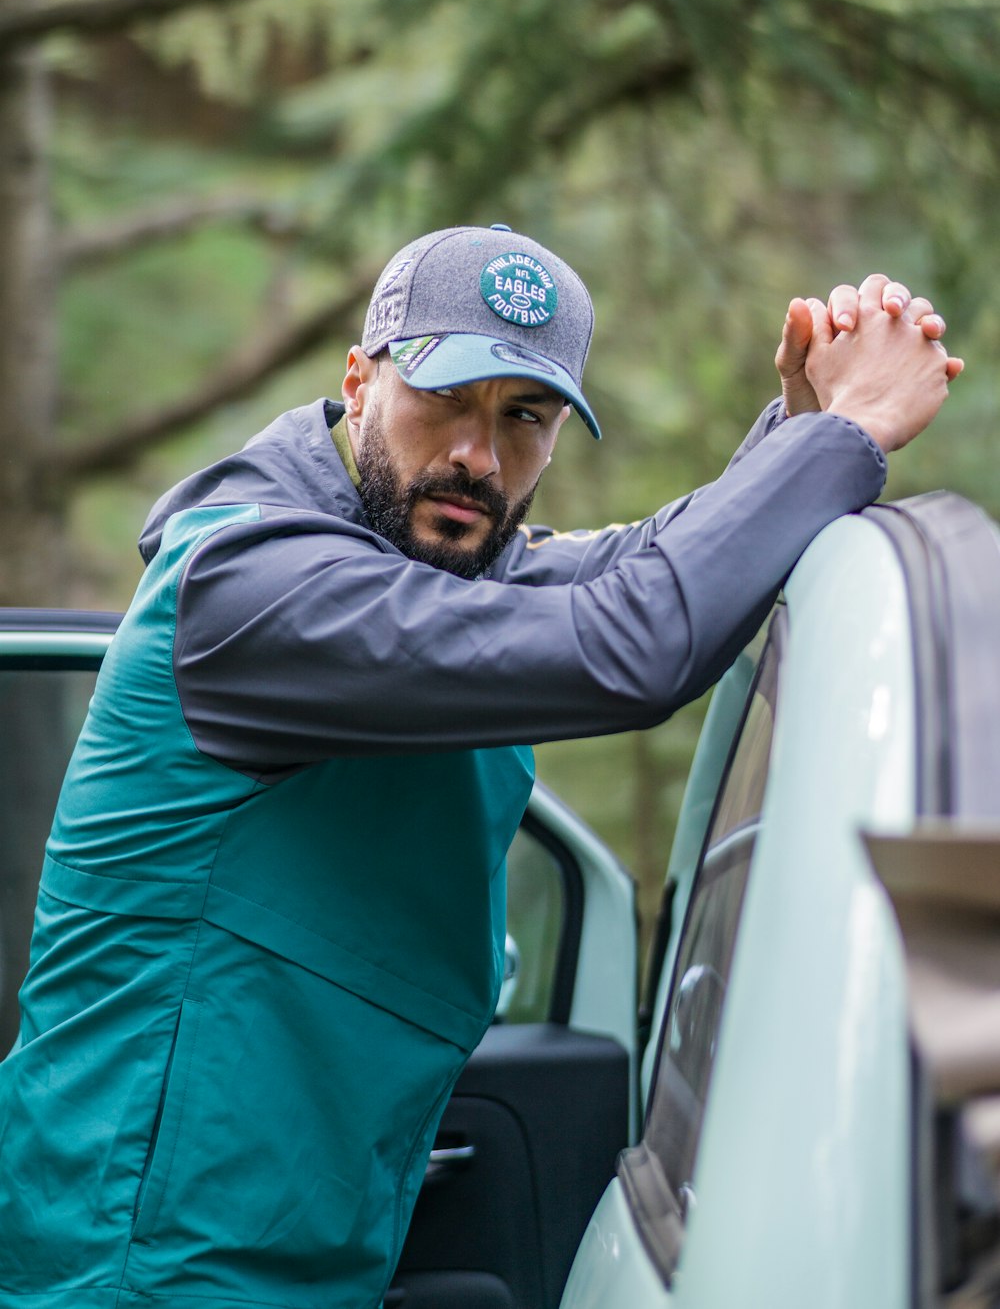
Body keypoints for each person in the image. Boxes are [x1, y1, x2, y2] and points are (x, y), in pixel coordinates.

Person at [0, 224, 958, 1309]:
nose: (478, 456)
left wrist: (802, 431)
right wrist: (854, 437)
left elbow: (641, 565)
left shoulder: (423, 561)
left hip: (292, 1251)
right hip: (136, 1267)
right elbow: (628, 643)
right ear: (359, 380)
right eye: (447, 399)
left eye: (525, 418)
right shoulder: (252, 591)